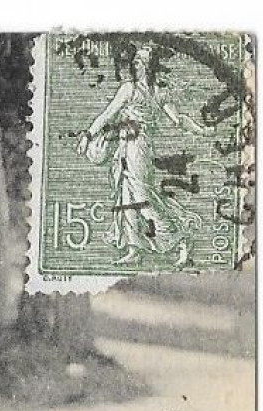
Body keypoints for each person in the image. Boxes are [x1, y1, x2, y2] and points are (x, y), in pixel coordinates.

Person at [76, 41, 207, 267]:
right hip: (125, 146)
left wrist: (202, 129)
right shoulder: (129, 88)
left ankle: (180, 237)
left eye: (139, 61)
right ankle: (135, 248)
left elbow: (178, 120)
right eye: (134, 60)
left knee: (141, 196)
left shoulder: (157, 92)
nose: (134, 64)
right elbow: (108, 114)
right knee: (126, 194)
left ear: (149, 65)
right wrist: (88, 134)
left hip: (140, 147)